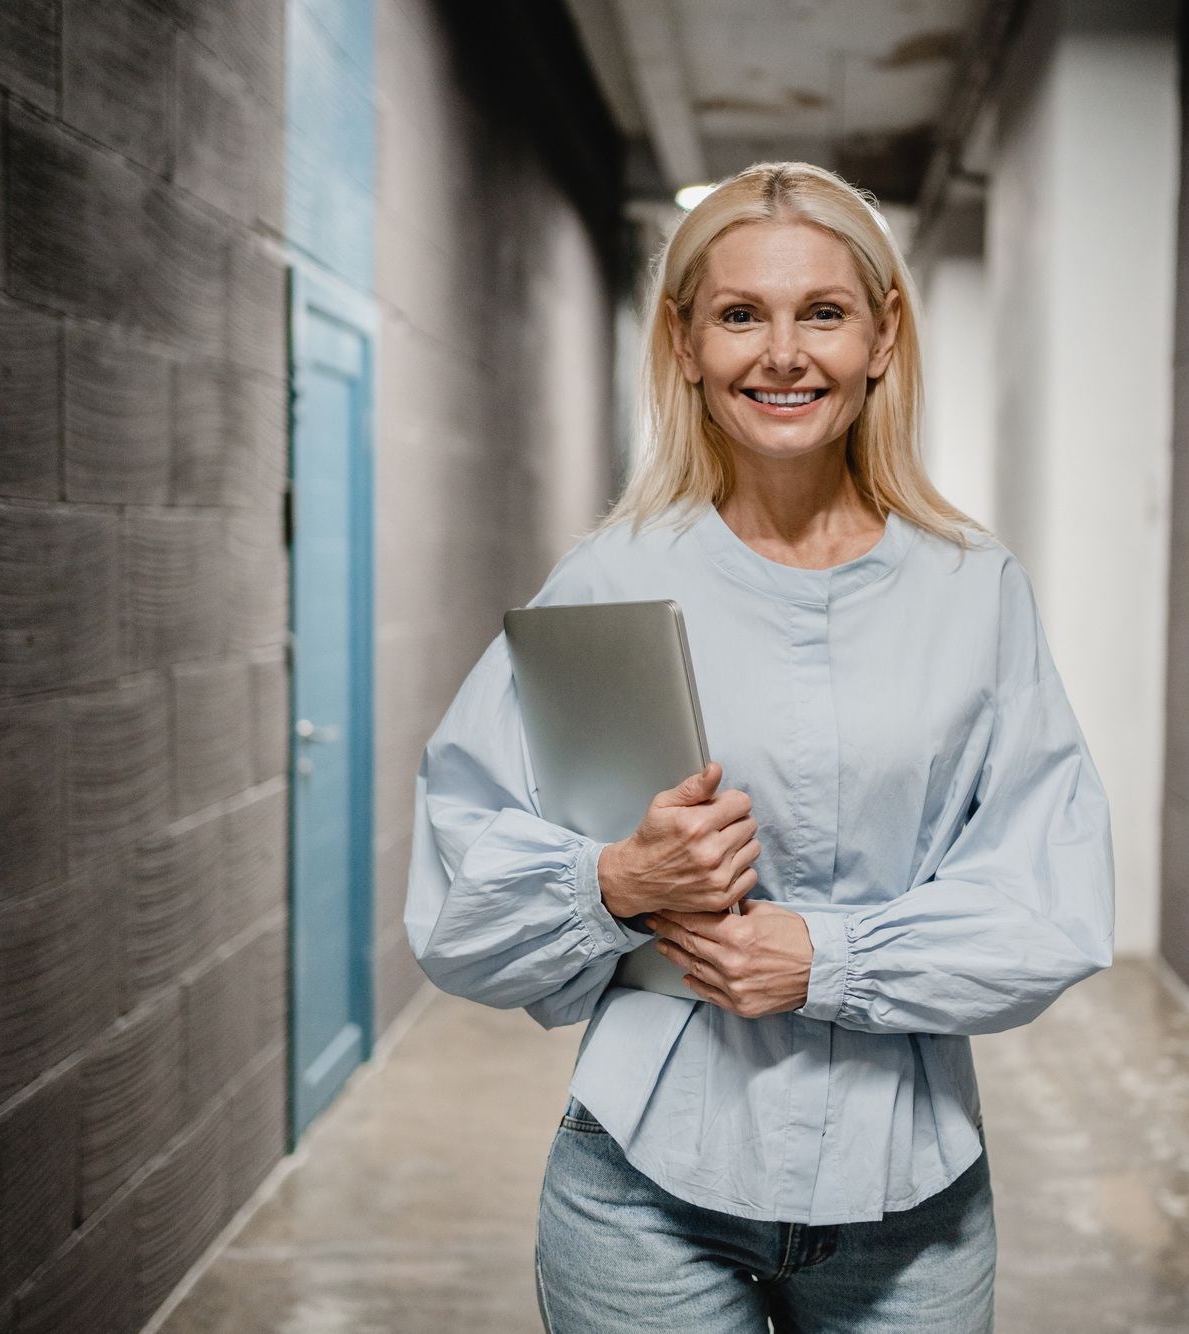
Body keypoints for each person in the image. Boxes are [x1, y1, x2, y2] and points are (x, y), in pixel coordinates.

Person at [405, 161, 1115, 1333]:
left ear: (882, 335)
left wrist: (824, 961)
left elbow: (1053, 900)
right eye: (740, 315)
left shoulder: (970, 590)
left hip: (910, 1201)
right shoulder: (610, 580)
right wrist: (618, 880)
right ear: (683, 342)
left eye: (821, 313)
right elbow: (453, 899)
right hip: (644, 1190)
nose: (780, 354)